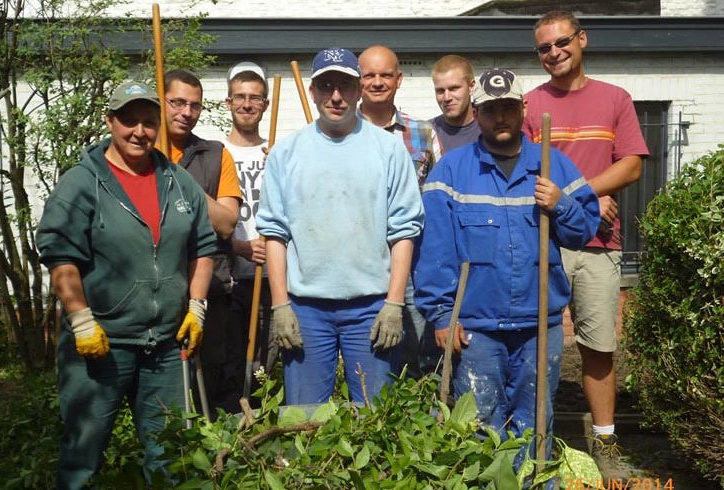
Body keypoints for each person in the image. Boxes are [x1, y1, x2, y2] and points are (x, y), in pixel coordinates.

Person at [36, 81, 217, 488]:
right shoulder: (83, 183)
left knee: (169, 455)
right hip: (102, 346)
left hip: (166, 348)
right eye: (129, 121)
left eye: (149, 122)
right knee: (83, 453)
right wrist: (81, 319)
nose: (140, 131)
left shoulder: (177, 181)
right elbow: (60, 255)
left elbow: (203, 245)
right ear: (110, 121)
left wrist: (197, 306)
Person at [414, 69, 599, 458]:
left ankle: (535, 483)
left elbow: (583, 231)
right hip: (477, 328)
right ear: (477, 112)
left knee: (536, 421)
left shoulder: (553, 166)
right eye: (491, 109)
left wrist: (560, 204)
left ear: (523, 109)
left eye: (509, 108)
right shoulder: (452, 170)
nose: (501, 117)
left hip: (538, 324)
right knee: (479, 424)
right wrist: (443, 315)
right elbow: (437, 253)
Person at [256, 48, 424, 404]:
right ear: (313, 90)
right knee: (304, 419)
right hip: (305, 309)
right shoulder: (287, 154)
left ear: (359, 89)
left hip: (371, 309)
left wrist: (394, 304)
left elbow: (404, 231)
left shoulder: (388, 151)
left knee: (375, 418)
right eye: (326, 85)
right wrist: (280, 305)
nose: (336, 96)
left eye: (345, 85)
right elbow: (274, 233)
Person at [523, 10, 649, 478]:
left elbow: (632, 165)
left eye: (561, 42)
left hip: (599, 242)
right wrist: (587, 198)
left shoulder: (615, 98)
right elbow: (524, 171)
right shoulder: (530, 105)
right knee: (536, 342)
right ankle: (534, 436)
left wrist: (583, 194)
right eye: (544, 48)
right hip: (544, 243)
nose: (554, 52)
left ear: (582, 39)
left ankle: (605, 439)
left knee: (597, 346)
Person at [162, 69, 244, 413]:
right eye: (177, 102)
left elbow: (226, 222)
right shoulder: (136, 149)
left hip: (209, 289)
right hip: (158, 290)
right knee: (164, 388)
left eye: (194, 106)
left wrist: (176, 177)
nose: (186, 112)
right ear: (160, 101)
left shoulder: (214, 155)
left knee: (209, 384)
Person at [357, 44, 439, 378]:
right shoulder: (336, 134)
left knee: (420, 351)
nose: (377, 82)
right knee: (369, 355)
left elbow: (437, 200)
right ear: (358, 80)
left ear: (399, 79)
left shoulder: (423, 134)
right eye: (369, 75)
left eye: (385, 75)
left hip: (413, 262)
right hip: (359, 262)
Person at [223, 61, 277, 402]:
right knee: (231, 363)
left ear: (266, 105)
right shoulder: (214, 153)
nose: (247, 104)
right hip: (229, 279)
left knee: (267, 366)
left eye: (255, 98)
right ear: (228, 102)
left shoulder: (278, 152)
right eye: (239, 97)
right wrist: (239, 246)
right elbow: (203, 219)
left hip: (272, 278)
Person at [429, 54, 481, 153]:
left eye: (454, 89)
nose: (447, 97)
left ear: (471, 87)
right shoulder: (426, 134)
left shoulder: (489, 129)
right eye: (440, 91)